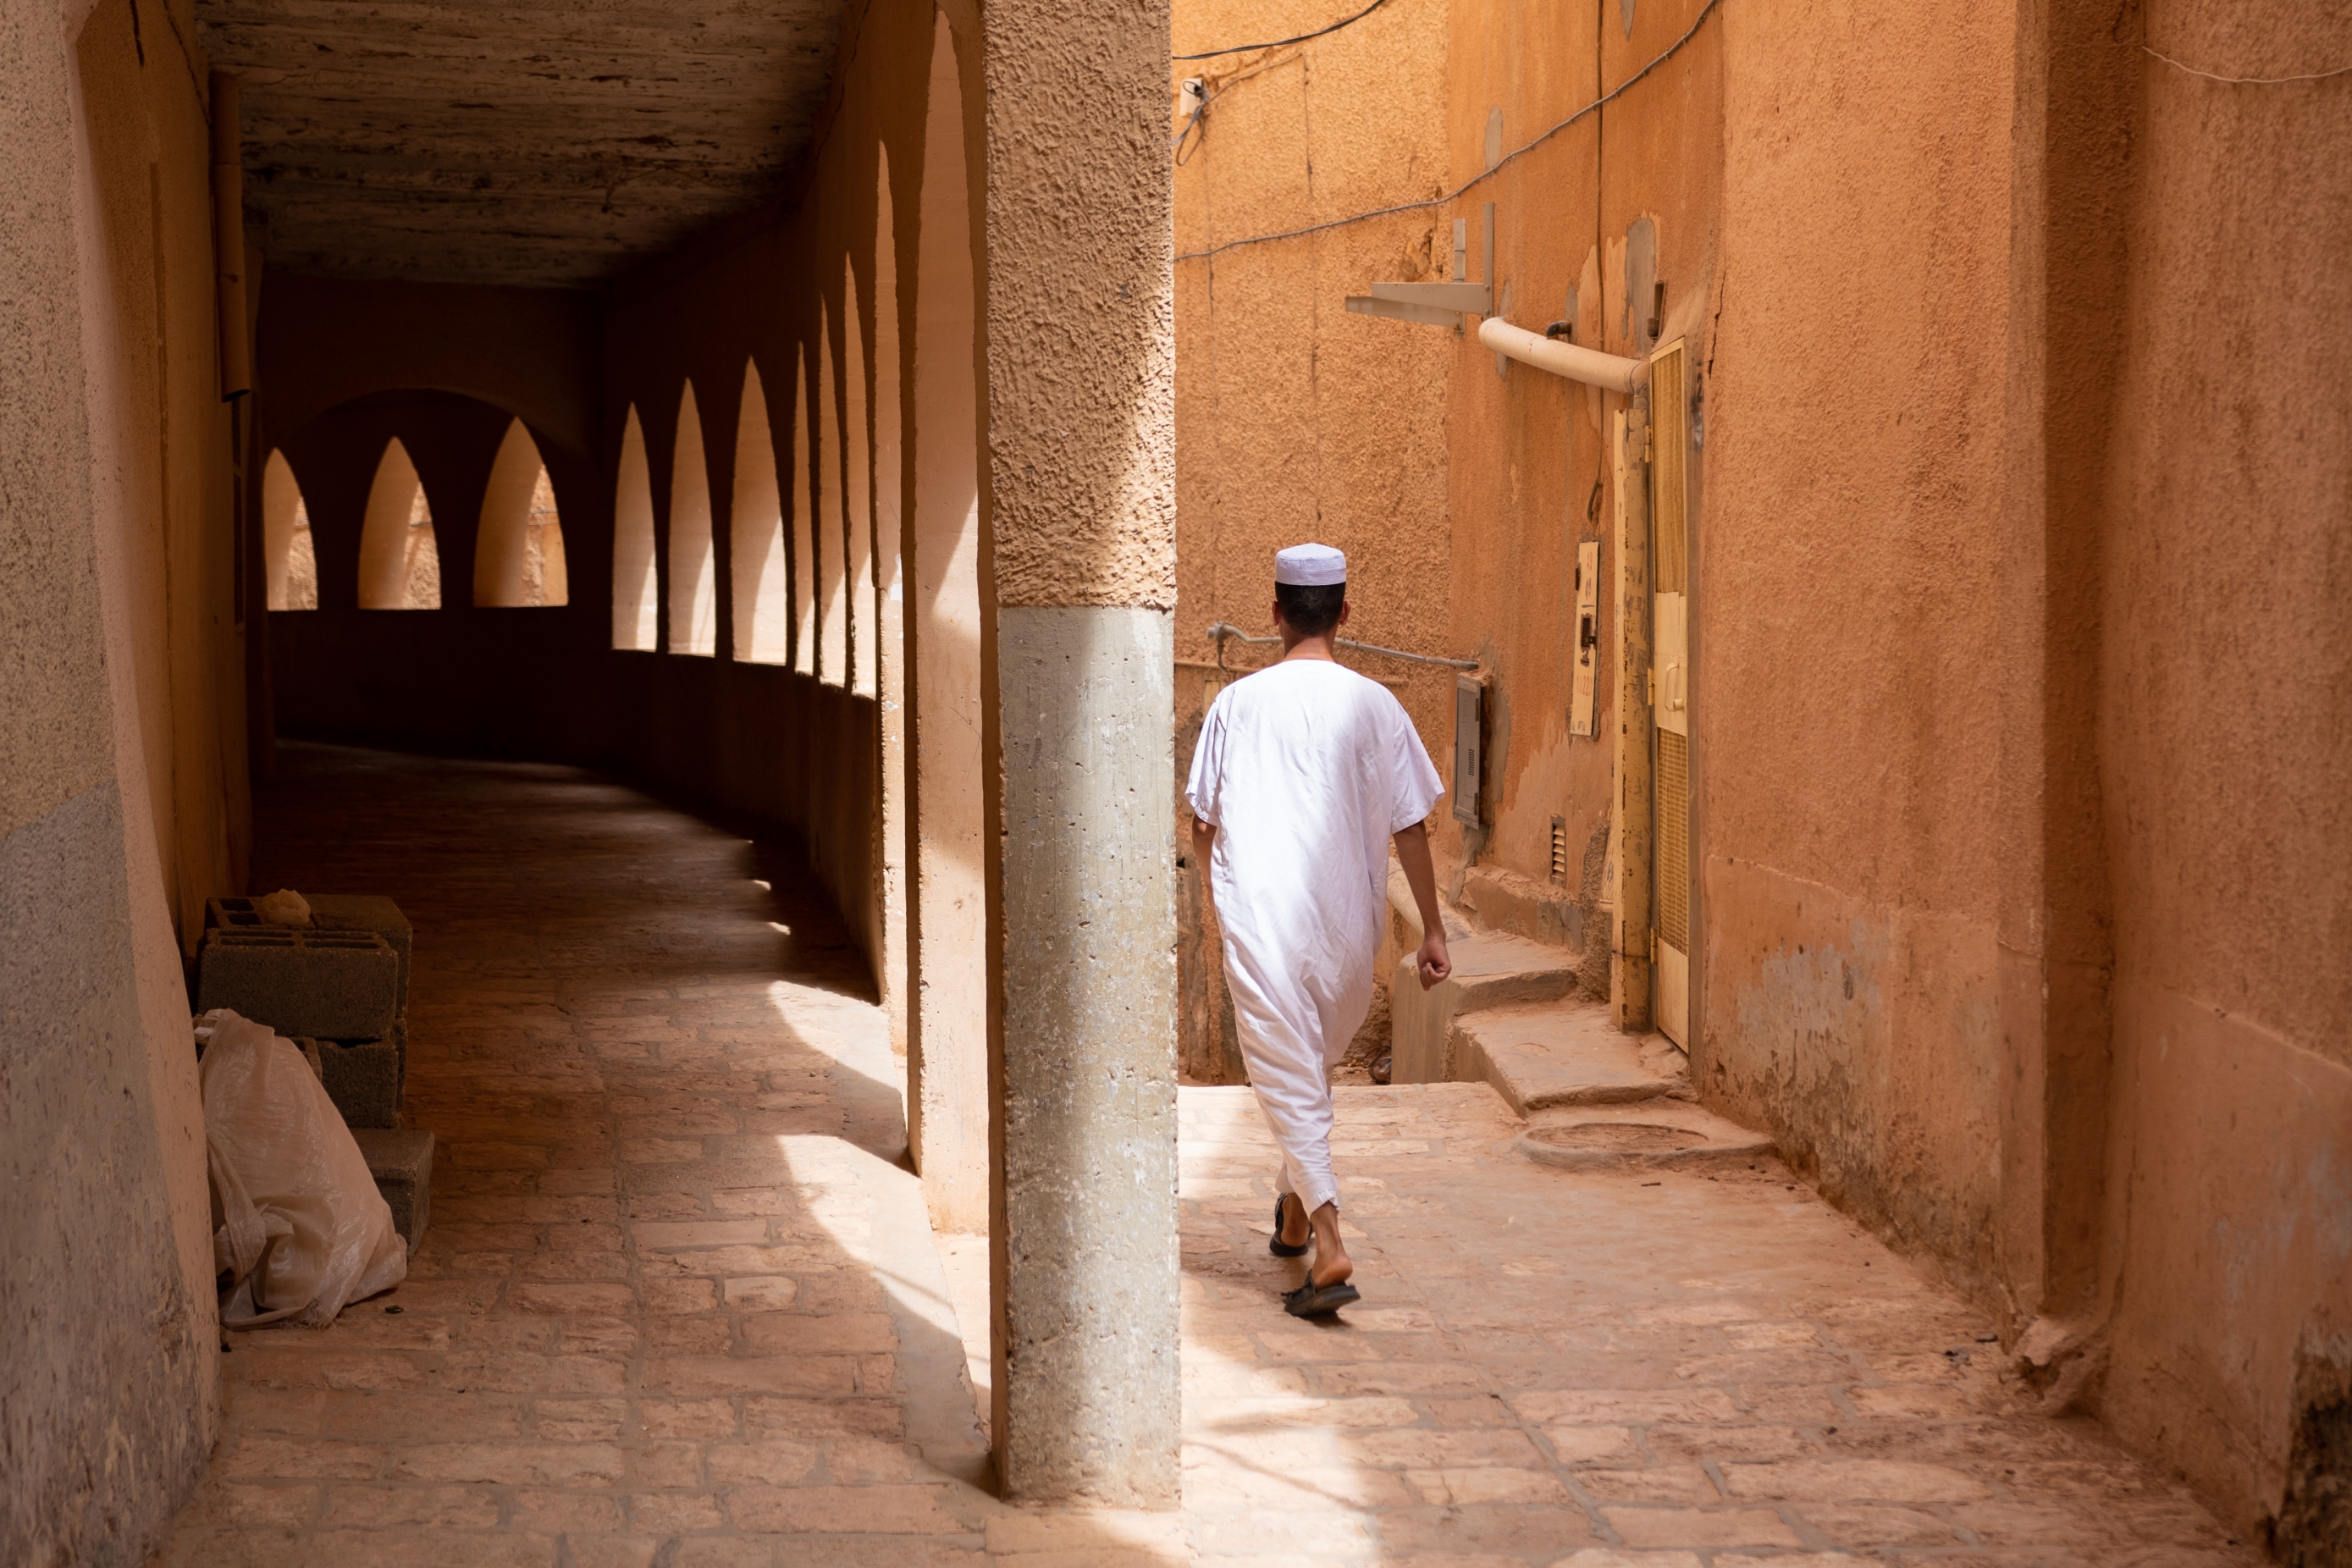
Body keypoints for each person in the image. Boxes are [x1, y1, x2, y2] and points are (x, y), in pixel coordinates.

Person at [1185, 542, 1454, 1317]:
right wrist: (1432, 930)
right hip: (1348, 931)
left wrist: (1220, 900)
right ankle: (1295, 1214)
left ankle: (1331, 1245)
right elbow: (1412, 827)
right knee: (1302, 1068)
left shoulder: (1238, 704)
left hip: (1265, 923)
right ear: (1345, 614)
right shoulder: (1378, 705)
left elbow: (1203, 821)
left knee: (1290, 1070)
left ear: (1274, 613)